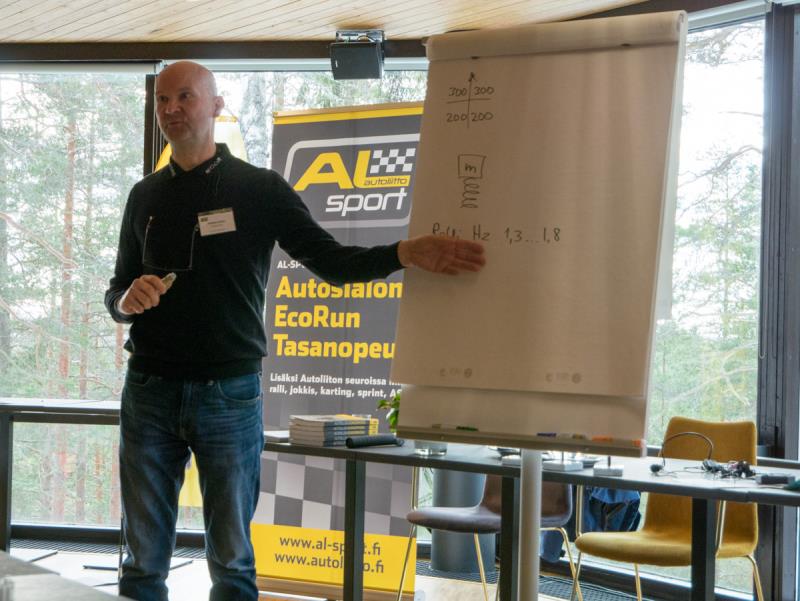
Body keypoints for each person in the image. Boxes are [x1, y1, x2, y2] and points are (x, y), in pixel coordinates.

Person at [104, 60, 485, 601]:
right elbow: (117, 291)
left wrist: (404, 252)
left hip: (228, 394)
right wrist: (125, 301)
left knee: (232, 560)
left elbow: (332, 262)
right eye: (162, 99)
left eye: (185, 96)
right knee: (142, 562)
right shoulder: (144, 195)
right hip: (148, 390)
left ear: (216, 105)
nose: (171, 109)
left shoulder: (258, 188)